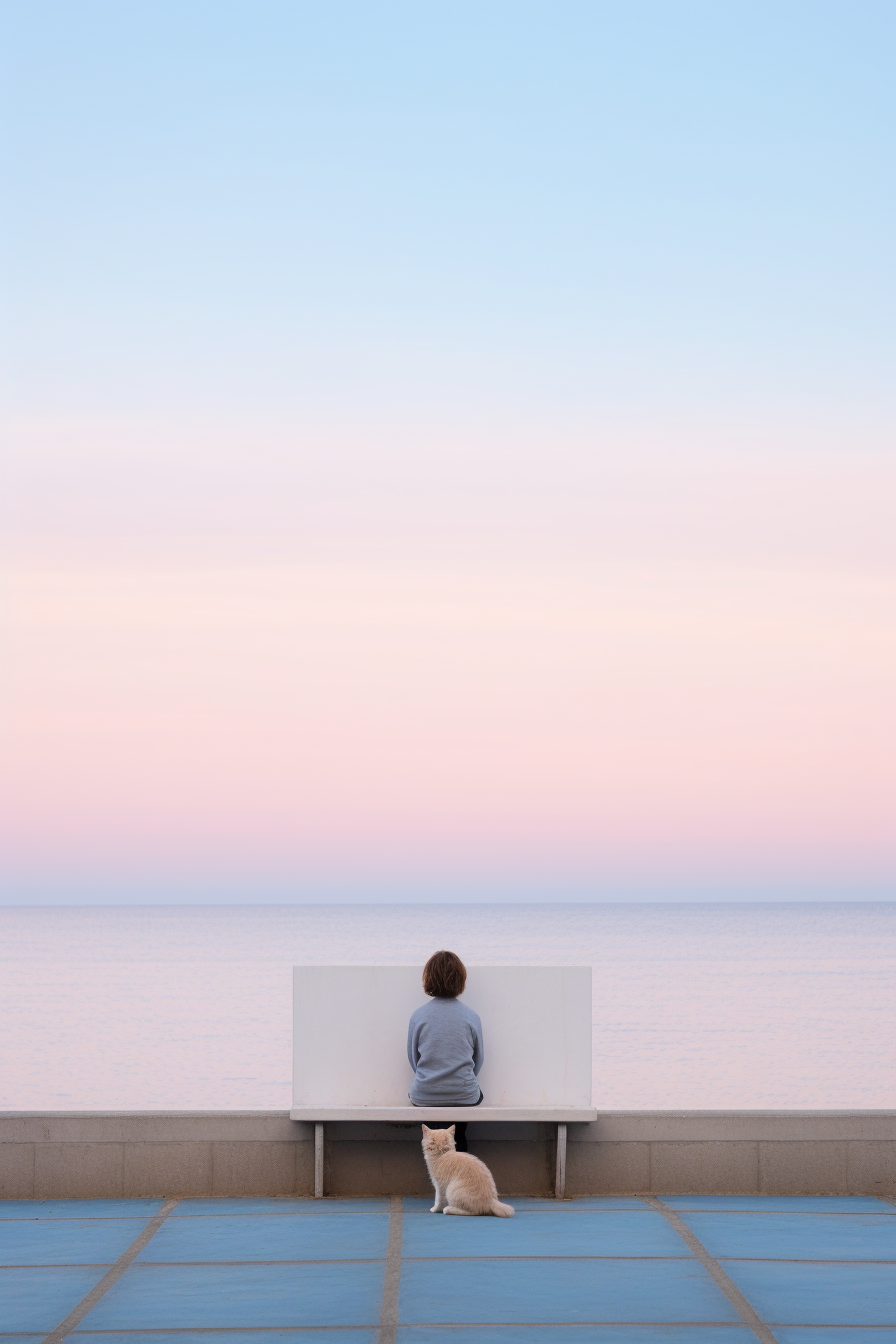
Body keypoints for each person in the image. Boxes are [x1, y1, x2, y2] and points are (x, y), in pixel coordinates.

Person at [407, 950, 483, 1152]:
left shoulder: (418, 1016)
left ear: (428, 978)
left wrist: (431, 1080)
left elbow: (413, 1059)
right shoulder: (471, 1016)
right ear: (461, 979)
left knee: (433, 1133)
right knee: (458, 1135)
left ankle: (437, 1170)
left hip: (425, 1093)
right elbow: (479, 1059)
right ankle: (460, 1174)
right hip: (464, 1093)